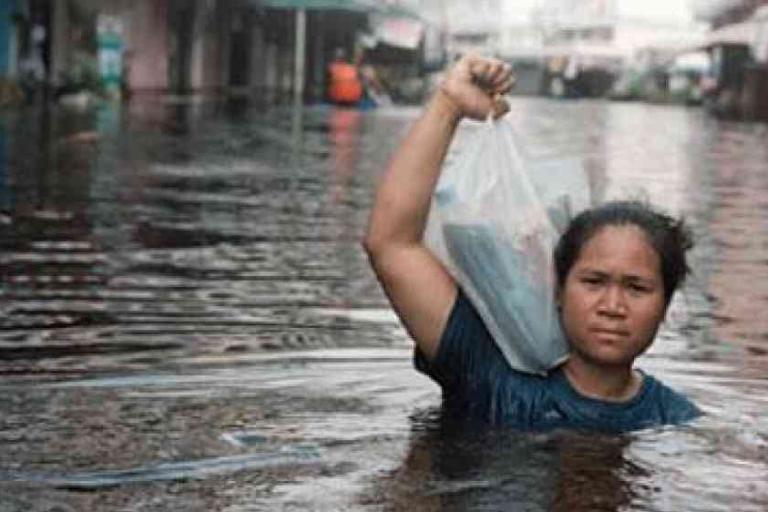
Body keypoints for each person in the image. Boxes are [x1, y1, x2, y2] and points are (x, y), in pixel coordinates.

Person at [363, 55, 701, 432]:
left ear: (665, 304)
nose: (612, 306)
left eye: (636, 288)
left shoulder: (674, 421)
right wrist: (448, 105)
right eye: (593, 282)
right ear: (559, 289)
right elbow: (391, 244)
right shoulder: (489, 372)